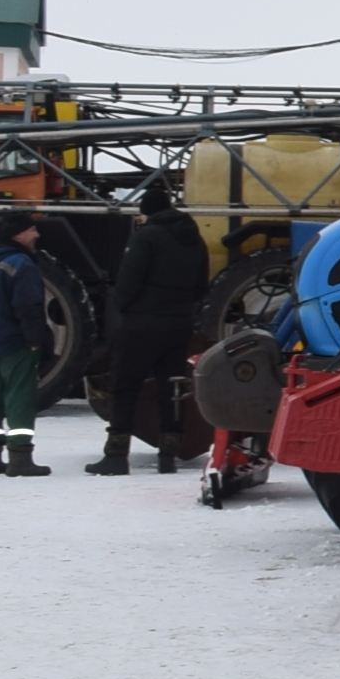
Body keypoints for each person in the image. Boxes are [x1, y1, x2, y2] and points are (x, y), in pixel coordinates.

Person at [94, 177, 212, 475]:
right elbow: (201, 285)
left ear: (148, 211)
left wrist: (124, 307)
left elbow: (128, 282)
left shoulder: (146, 237)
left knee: (125, 386)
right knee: (170, 389)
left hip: (142, 325)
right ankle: (168, 455)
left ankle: (116, 456)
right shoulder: (194, 238)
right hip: (178, 326)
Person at [0, 211, 54, 476]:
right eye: (32, 230)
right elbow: (28, 306)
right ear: (18, 233)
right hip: (16, 342)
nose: (36, 235)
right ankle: (20, 457)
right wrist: (36, 340)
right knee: (21, 399)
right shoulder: (21, 263)